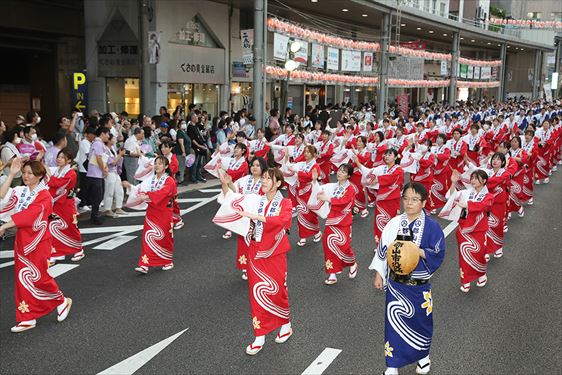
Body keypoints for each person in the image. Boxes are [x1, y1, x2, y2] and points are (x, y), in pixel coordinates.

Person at [370, 182, 445, 375]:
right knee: (393, 324)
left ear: (424, 202)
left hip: (419, 286)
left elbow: (438, 252)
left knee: (421, 323)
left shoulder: (432, 227)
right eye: (406, 199)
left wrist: (418, 251)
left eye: (414, 199)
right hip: (396, 285)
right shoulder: (394, 223)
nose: (409, 203)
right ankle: (392, 365)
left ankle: (423, 357)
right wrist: (379, 273)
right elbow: (383, 250)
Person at [0, 159, 73, 333]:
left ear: (39, 176)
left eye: (30, 173)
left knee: (39, 276)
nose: (25, 176)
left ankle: (61, 300)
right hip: (23, 240)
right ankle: (27, 317)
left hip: (38, 241)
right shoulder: (22, 191)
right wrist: (11, 174)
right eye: (24, 173)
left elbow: (29, 215)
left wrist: (4, 226)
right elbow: (2, 196)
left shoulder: (44, 195)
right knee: (22, 278)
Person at [232, 168, 293, 355]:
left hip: (274, 253)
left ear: (278, 184)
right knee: (257, 293)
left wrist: (258, 218)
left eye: (269, 178)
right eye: (264, 177)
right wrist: (226, 183)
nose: (264, 181)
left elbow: (283, 220)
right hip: (255, 251)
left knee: (277, 290)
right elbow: (234, 202)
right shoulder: (256, 200)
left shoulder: (285, 202)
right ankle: (260, 335)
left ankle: (286, 323)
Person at [219, 156, 266, 280]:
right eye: (253, 165)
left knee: (258, 242)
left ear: (263, 167)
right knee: (244, 242)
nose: (254, 167)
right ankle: (246, 267)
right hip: (244, 217)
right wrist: (228, 183)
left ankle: (257, 266)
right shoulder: (244, 180)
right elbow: (236, 194)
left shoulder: (267, 180)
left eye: (257, 165)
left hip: (259, 217)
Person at [129, 156, 177, 274]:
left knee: (164, 237)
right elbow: (142, 189)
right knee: (147, 236)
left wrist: (148, 195)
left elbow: (164, 192)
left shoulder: (169, 180)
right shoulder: (150, 180)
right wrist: (132, 189)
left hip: (164, 213)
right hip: (152, 211)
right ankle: (144, 264)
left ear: (166, 167)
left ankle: (167, 260)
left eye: (160, 164)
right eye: (156, 163)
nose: (157, 165)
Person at [449, 169, 493, 293]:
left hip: (478, 229)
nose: (472, 180)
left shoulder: (488, 196)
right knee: (464, 254)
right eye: (472, 178)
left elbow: (485, 205)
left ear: (484, 181)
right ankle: (466, 280)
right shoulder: (466, 192)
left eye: (476, 178)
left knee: (478, 254)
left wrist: (467, 205)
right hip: (464, 227)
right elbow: (452, 196)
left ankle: (481, 274)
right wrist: (453, 183)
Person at [316, 163, 358, 285]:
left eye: (344, 172)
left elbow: (344, 202)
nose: (339, 173)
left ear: (349, 176)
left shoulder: (350, 189)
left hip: (344, 221)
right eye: (339, 170)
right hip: (332, 220)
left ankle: (352, 263)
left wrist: (328, 199)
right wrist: (314, 181)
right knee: (328, 244)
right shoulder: (332, 186)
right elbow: (320, 189)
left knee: (344, 246)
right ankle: (332, 273)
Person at [356, 148, 404, 246]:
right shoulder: (382, 168)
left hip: (392, 200)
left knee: (391, 223)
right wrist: (358, 163)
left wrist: (378, 179)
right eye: (385, 154)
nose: (386, 156)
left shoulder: (398, 170)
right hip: (381, 199)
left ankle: (391, 245)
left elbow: (393, 178)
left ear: (395, 157)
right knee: (379, 222)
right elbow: (370, 172)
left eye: (389, 154)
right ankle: (380, 245)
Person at [47, 150, 84, 264]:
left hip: (67, 204)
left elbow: (58, 184)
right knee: (54, 226)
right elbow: (52, 184)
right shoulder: (57, 171)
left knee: (71, 227)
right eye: (59, 157)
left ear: (68, 160)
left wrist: (49, 175)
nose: (59, 159)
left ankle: (79, 249)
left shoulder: (70, 173)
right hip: (56, 204)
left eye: (63, 157)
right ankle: (58, 252)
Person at [291, 145, 322, 247]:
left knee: (311, 213)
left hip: (310, 192)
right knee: (301, 213)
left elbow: (310, 177)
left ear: (313, 154)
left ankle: (317, 232)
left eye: (308, 152)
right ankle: (302, 236)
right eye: (305, 151)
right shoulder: (302, 164)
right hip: (300, 191)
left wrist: (299, 172)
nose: (306, 154)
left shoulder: (315, 166)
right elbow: (293, 168)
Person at [483, 153, 510, 260]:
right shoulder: (488, 172)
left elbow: (490, 183)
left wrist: (486, 181)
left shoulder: (506, 173)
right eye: (494, 159)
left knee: (497, 225)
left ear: (503, 162)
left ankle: (498, 247)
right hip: (487, 203)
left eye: (498, 159)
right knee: (485, 226)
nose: (495, 161)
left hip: (499, 203)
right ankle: (487, 249)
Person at [86, 127, 110, 225]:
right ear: (102, 134)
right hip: (95, 174)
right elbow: (99, 157)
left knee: (98, 196)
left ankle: (94, 215)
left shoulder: (96, 143)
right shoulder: (98, 143)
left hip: (95, 173)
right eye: (107, 134)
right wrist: (103, 169)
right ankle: (94, 216)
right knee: (97, 196)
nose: (108, 136)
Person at [102, 134, 126, 217]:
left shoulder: (113, 148)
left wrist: (119, 155)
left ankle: (118, 207)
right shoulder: (105, 150)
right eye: (113, 139)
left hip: (115, 172)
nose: (114, 140)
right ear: (108, 140)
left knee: (119, 190)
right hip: (109, 172)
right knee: (109, 191)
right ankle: (108, 209)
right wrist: (120, 155)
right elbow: (112, 163)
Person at [76, 127, 96, 211]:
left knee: (88, 186)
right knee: (84, 186)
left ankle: (88, 202)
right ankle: (82, 203)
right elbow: (89, 154)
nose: (94, 137)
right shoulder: (85, 142)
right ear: (88, 134)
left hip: (88, 167)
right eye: (93, 135)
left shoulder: (89, 142)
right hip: (84, 167)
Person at [187, 114, 208, 183]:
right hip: (195, 147)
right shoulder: (190, 127)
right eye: (195, 117)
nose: (197, 118)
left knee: (200, 163)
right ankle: (193, 177)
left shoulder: (196, 126)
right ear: (192, 118)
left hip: (200, 146)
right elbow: (192, 139)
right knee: (195, 163)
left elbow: (202, 132)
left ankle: (198, 175)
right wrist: (199, 145)